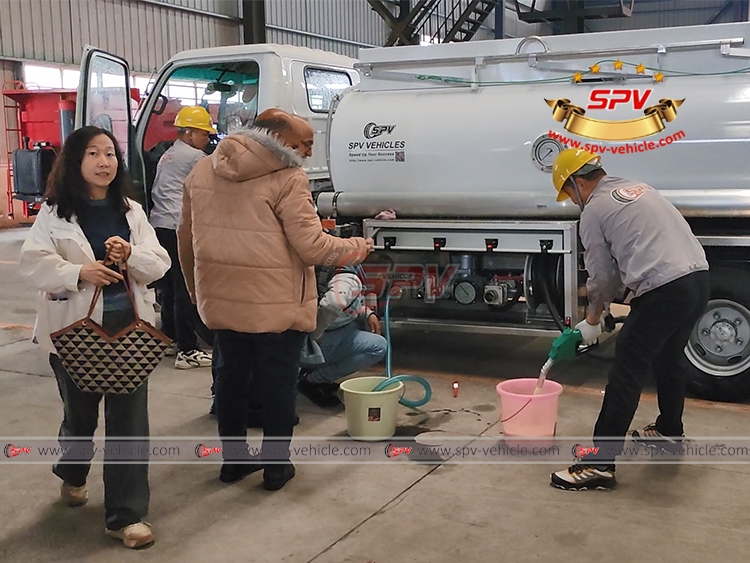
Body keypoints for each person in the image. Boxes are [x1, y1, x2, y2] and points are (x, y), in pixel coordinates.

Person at [178, 108, 372, 490]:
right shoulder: (288, 177)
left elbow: (185, 238)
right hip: (276, 305)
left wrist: (196, 292)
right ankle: (276, 468)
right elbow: (312, 247)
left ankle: (233, 463)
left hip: (222, 301)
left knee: (230, 382)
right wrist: (357, 248)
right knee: (277, 387)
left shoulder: (203, 170)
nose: (308, 153)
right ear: (278, 140)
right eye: (304, 144)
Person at [19, 126, 171, 548]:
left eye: (110, 154)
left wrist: (131, 254)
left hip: (128, 335)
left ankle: (126, 516)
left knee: (129, 427)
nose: (105, 162)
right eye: (93, 154)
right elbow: (32, 263)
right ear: (75, 162)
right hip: (74, 334)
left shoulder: (132, 212)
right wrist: (78, 272)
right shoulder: (54, 212)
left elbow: (159, 263)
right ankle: (71, 471)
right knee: (80, 418)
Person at [548, 149, 709, 491]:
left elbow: (602, 278)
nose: (573, 201)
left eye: (570, 194)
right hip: (698, 279)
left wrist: (591, 320)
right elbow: (628, 262)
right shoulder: (636, 188)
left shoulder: (594, 210)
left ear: (578, 183)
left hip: (664, 289)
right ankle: (669, 430)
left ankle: (598, 464)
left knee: (626, 369)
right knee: (668, 357)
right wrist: (606, 307)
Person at [149, 106, 215, 370]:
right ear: (189, 133)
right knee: (187, 288)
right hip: (177, 226)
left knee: (169, 288)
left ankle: (171, 338)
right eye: (204, 134)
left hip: (160, 224)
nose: (208, 140)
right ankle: (188, 350)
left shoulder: (169, 153)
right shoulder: (195, 157)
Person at [297, 265, 387, 407]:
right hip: (307, 345)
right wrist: (316, 335)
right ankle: (312, 381)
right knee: (378, 346)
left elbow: (343, 305)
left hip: (294, 340)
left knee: (357, 324)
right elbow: (334, 304)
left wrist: (367, 313)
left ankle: (312, 371)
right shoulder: (346, 276)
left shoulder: (324, 268)